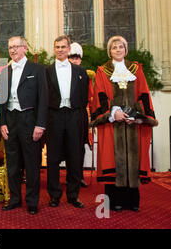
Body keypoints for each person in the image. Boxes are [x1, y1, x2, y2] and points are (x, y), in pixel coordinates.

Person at [90, 35, 158, 212]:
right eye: (114, 47)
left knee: (133, 159)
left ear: (125, 49)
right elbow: (100, 97)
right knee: (113, 158)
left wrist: (138, 116)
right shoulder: (102, 71)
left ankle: (132, 201)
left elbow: (143, 94)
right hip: (113, 123)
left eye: (121, 47)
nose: (118, 50)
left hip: (133, 123)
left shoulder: (136, 69)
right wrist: (113, 113)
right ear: (109, 51)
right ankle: (115, 201)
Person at [0, 36, 48, 215]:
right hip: (10, 121)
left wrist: (40, 125)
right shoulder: (5, 71)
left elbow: (44, 99)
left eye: (16, 47)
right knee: (13, 164)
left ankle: (32, 201)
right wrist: (2, 123)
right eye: (10, 47)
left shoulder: (38, 69)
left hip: (30, 120)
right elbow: (2, 100)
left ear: (25, 48)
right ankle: (14, 198)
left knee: (32, 163)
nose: (12, 50)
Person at [45, 35, 89, 209]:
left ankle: (73, 195)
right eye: (57, 47)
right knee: (53, 158)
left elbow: (84, 97)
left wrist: (77, 114)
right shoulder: (46, 71)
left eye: (63, 47)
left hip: (73, 116)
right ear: (54, 49)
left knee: (75, 157)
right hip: (54, 117)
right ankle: (54, 195)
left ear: (69, 49)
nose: (60, 50)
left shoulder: (80, 72)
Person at [68, 42, 94, 187]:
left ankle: (78, 176)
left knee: (79, 147)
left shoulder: (85, 75)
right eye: (72, 57)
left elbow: (90, 96)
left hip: (80, 114)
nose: (75, 60)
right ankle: (68, 177)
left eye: (77, 57)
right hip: (65, 115)